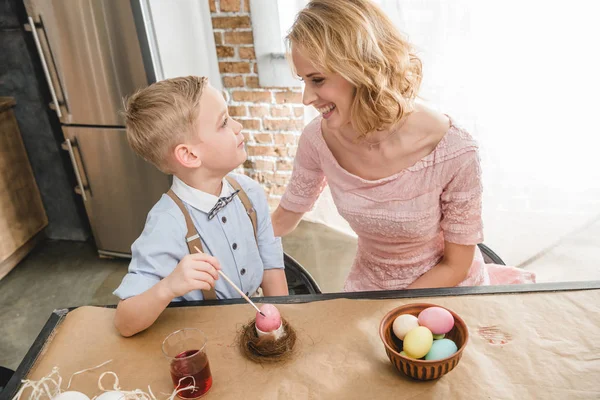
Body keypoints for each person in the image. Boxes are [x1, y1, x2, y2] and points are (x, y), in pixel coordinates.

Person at [272, 0, 535, 291]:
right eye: (303, 81)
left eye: (317, 80)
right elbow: (283, 219)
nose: (306, 98)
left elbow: (456, 265)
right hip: (370, 289)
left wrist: (396, 311)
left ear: (362, 68)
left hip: (447, 291)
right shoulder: (316, 140)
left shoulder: (453, 150)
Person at [113, 76, 288, 337]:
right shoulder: (166, 224)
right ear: (190, 155)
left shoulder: (249, 193)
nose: (238, 126)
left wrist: (279, 327)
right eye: (224, 122)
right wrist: (169, 287)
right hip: (205, 338)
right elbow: (124, 323)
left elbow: (272, 266)